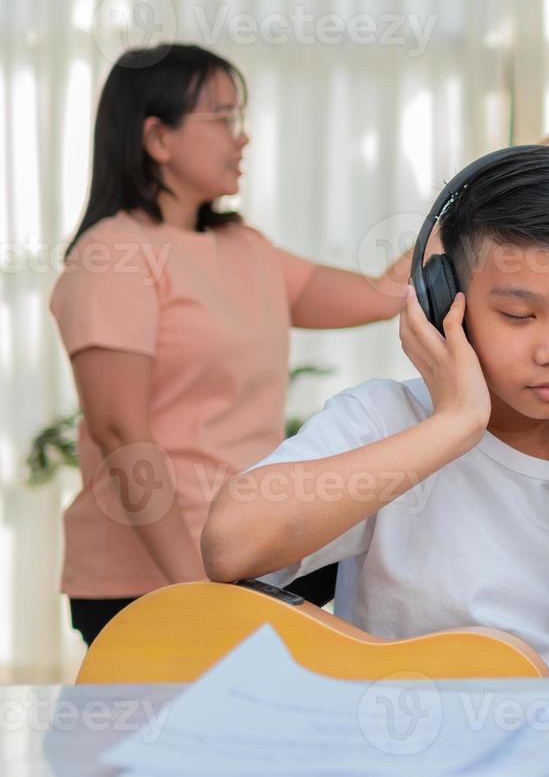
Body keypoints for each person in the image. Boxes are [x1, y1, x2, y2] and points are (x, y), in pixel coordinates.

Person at [200, 145, 549, 675]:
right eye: (518, 315)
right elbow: (230, 546)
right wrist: (455, 424)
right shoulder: (384, 420)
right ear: (444, 301)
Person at [50, 43, 412, 645]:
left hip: (246, 556)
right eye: (222, 119)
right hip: (153, 580)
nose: (241, 138)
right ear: (157, 139)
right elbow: (120, 435)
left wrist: (467, 205)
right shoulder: (112, 256)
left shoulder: (246, 249)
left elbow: (381, 294)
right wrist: (194, 589)